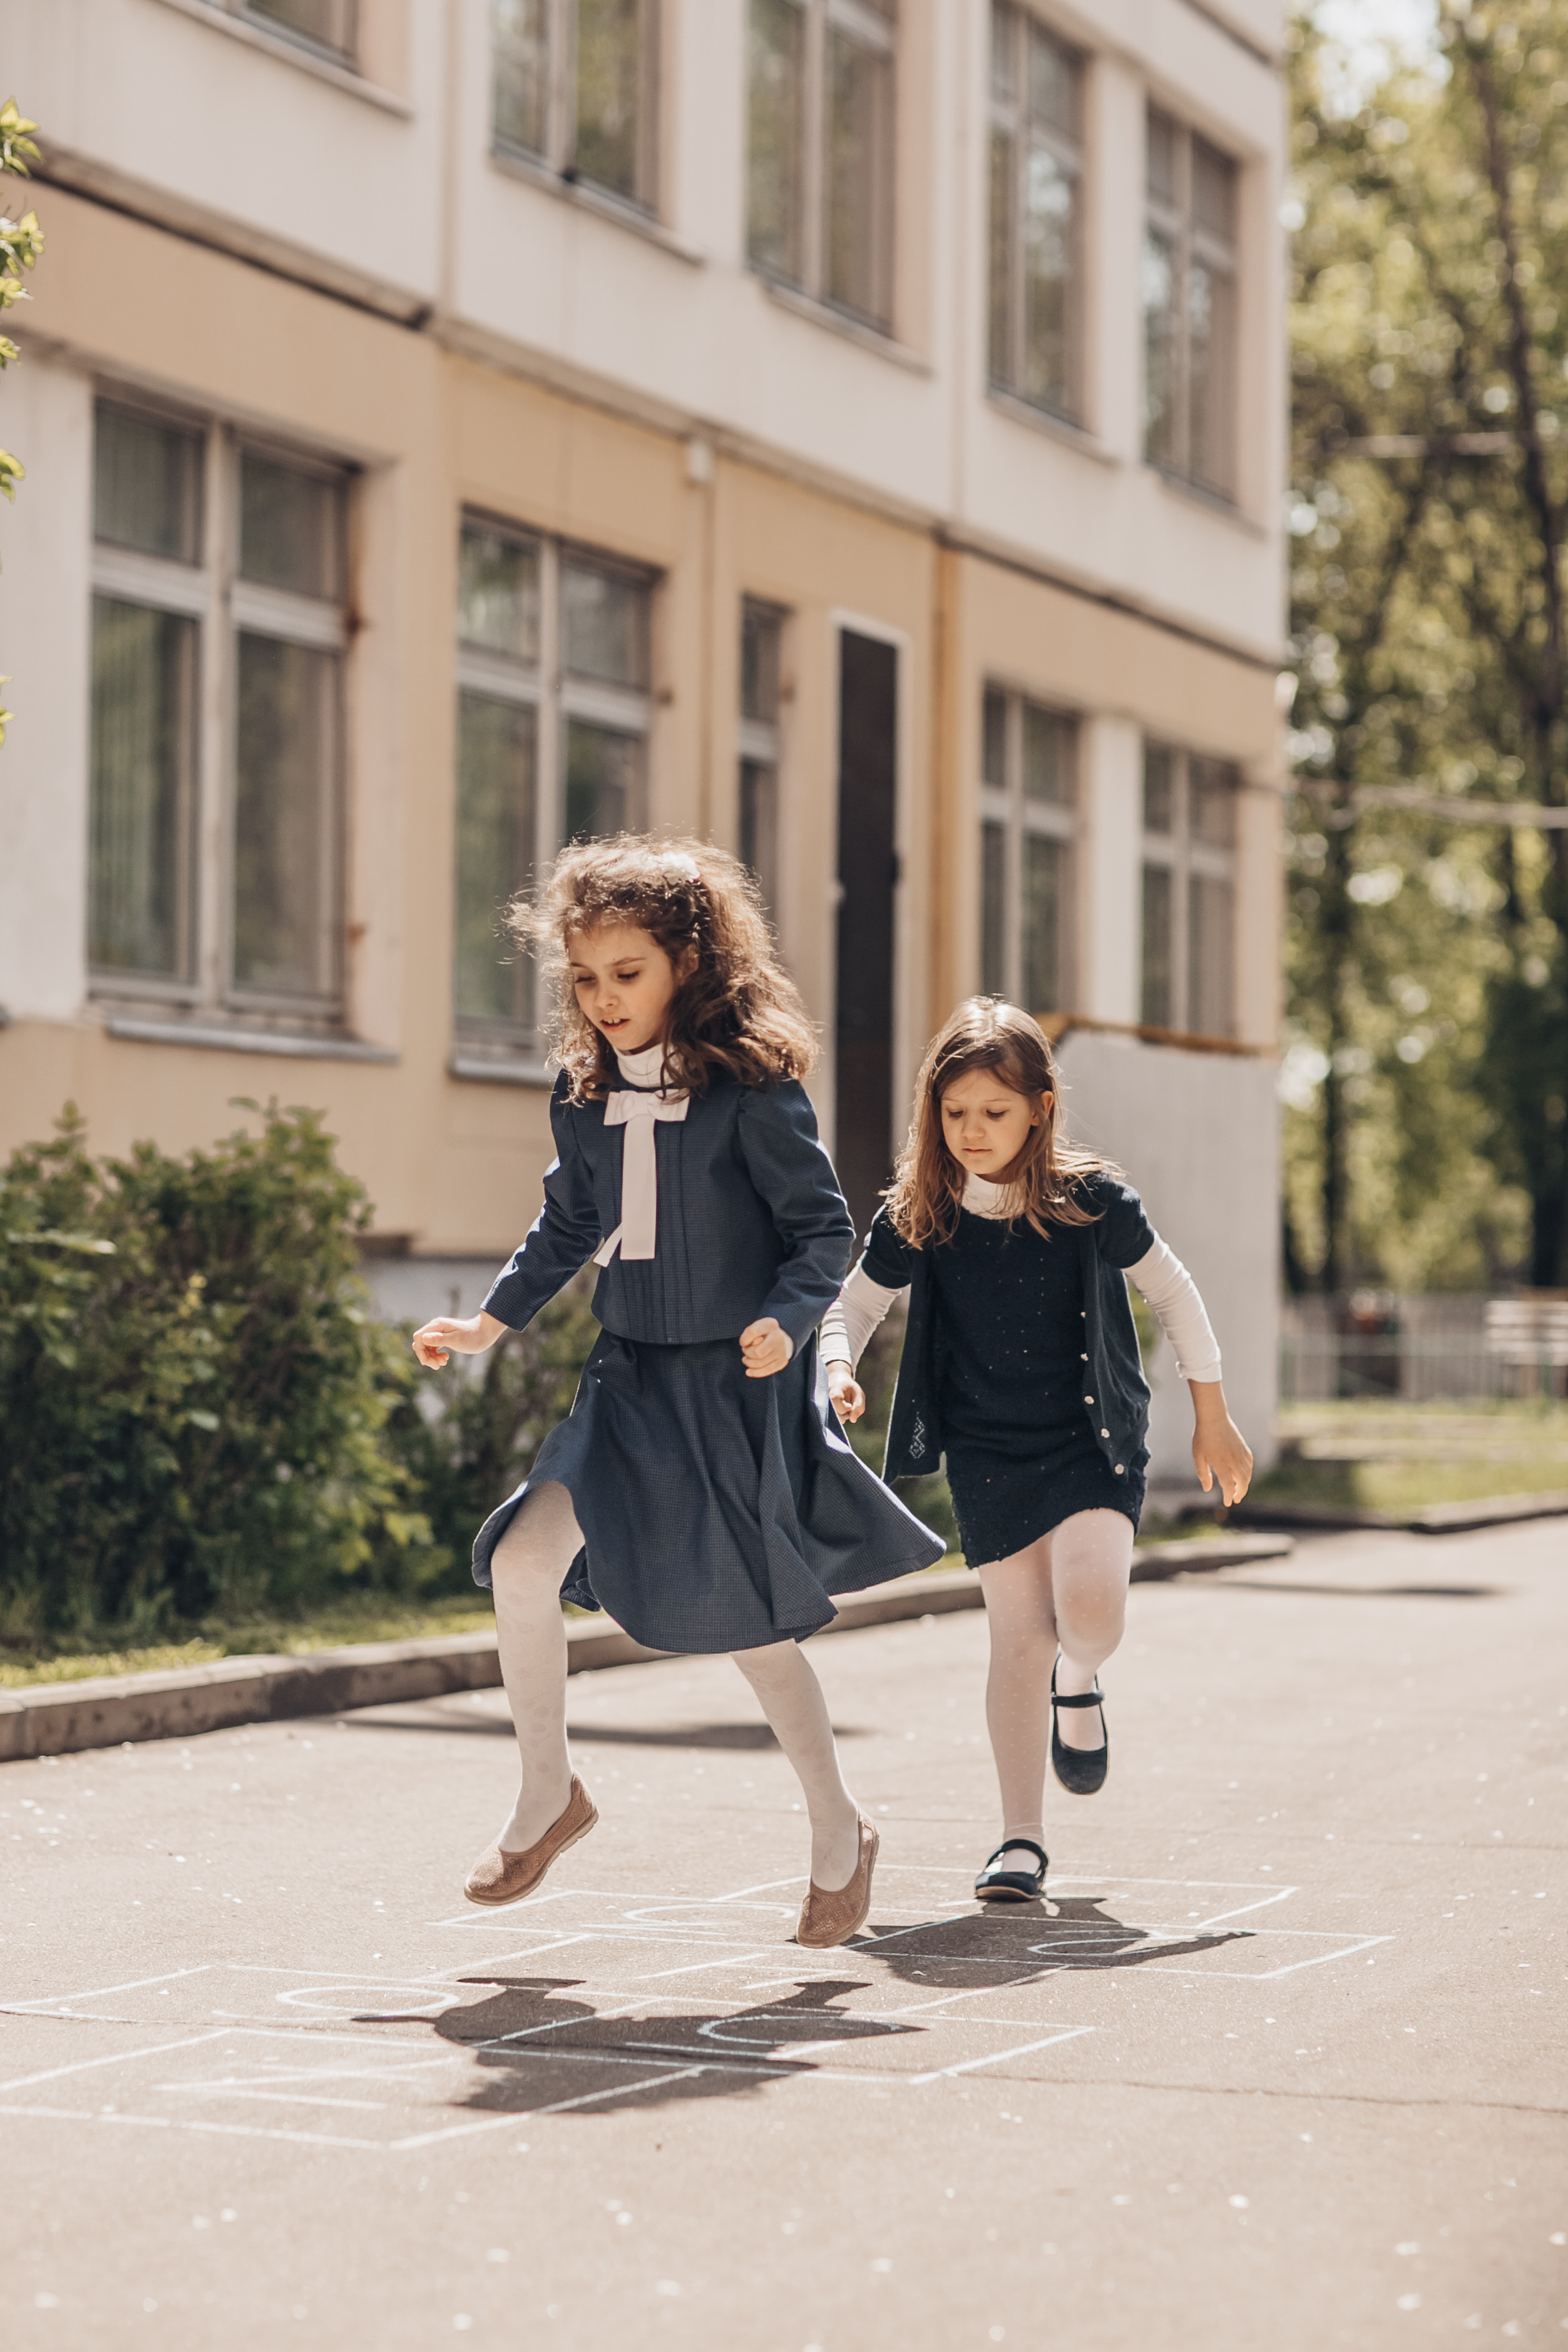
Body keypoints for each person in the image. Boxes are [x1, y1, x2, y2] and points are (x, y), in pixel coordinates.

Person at [412, 836, 943, 1946]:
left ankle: (839, 1828)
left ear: (688, 965)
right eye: (586, 978)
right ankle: (548, 1796)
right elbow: (567, 1222)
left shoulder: (752, 1091)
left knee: (751, 1626)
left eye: (629, 973)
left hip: (730, 1388)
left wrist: (786, 1320)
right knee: (520, 1561)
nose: (605, 999)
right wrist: (492, 1321)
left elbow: (818, 1231)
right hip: (628, 1379)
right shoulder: (582, 1093)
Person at [821, 998, 1252, 1905]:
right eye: (953, 1113)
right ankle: (1020, 1838)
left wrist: (1212, 1415)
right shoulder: (920, 1214)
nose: (971, 1132)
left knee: (1089, 1615)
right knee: (1014, 1639)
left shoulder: (1093, 1201)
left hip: (1088, 1440)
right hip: (986, 1447)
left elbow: (1175, 1295)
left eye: (994, 1112)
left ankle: (1081, 1677)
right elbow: (851, 1306)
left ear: (1039, 1109)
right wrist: (835, 1370)